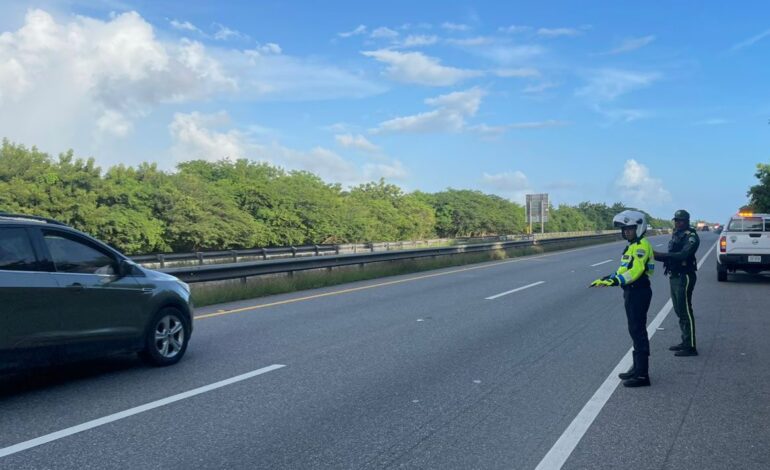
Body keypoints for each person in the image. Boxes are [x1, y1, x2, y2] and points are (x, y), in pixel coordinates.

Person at [590, 210, 655, 387]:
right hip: (632, 291)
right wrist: (608, 277)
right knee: (634, 330)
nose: (626, 232)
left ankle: (642, 375)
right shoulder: (632, 246)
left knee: (638, 331)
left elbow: (635, 271)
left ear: (638, 228)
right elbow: (624, 269)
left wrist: (615, 281)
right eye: (624, 229)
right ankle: (637, 368)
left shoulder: (641, 246)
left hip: (639, 291)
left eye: (630, 228)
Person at [654, 209, 699, 357]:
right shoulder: (676, 235)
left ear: (687, 221)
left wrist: (662, 255)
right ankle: (685, 341)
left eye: (681, 220)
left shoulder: (691, 237)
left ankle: (691, 346)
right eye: (676, 220)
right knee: (679, 310)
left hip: (684, 276)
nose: (678, 223)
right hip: (674, 276)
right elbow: (670, 256)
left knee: (685, 310)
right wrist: (653, 255)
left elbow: (684, 254)